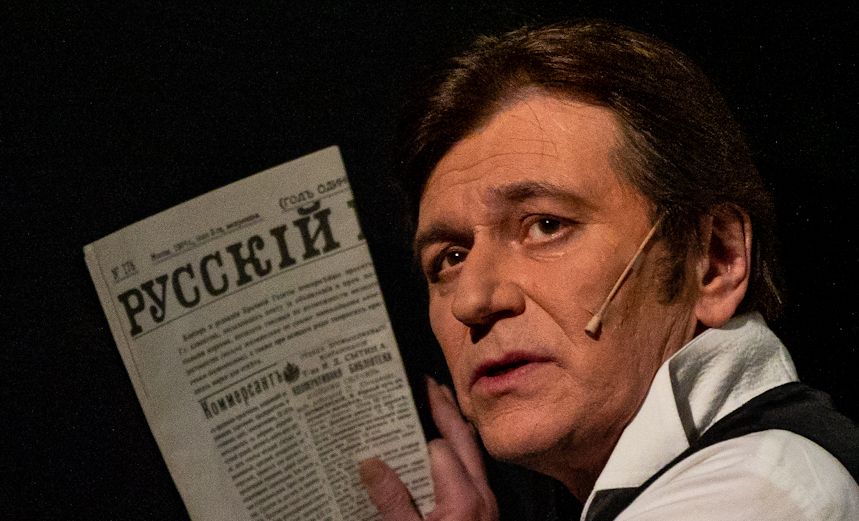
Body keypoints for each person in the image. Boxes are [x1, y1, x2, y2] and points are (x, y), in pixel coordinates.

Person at [359, 21, 859, 520]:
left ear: (714, 260)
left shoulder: (753, 494)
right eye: (450, 258)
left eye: (546, 225)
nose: (472, 301)